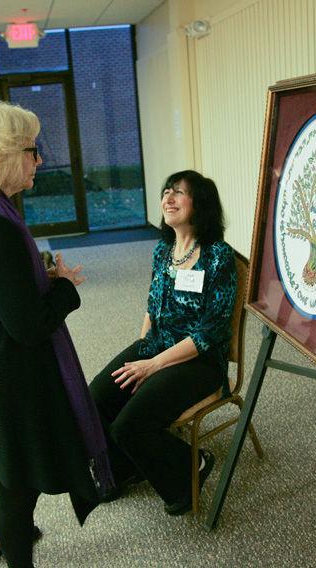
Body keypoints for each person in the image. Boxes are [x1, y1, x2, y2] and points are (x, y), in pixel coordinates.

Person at [0, 99, 114, 568]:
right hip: (8, 377)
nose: (39, 160)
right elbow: (31, 325)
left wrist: (34, 275)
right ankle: (13, 550)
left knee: (14, 465)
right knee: (20, 474)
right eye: (31, 150)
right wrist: (64, 289)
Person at [89, 170, 236, 516]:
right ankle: (127, 468)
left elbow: (209, 332)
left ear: (200, 204)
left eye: (179, 193)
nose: (168, 198)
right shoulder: (162, 251)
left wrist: (153, 366)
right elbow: (151, 307)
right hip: (156, 345)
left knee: (129, 425)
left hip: (199, 361)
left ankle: (192, 465)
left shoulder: (218, 257)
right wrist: (141, 352)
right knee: (97, 396)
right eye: (166, 191)